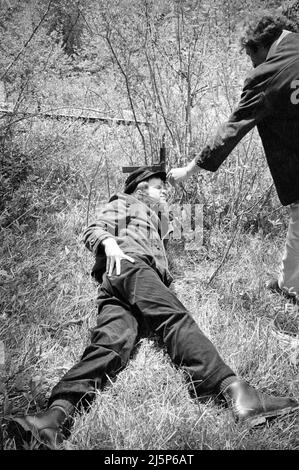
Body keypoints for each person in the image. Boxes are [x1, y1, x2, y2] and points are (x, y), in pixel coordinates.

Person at [11, 167, 298, 449]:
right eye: (159, 185)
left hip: (121, 282)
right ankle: (235, 391)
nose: (165, 190)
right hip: (130, 265)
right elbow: (94, 229)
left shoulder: (158, 218)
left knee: (110, 343)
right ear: (140, 187)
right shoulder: (124, 202)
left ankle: (53, 416)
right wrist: (109, 243)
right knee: (174, 319)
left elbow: (188, 232)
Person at [167, 14, 299, 301]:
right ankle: (288, 282)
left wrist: (189, 170)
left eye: (253, 58)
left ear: (259, 48)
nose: (254, 65)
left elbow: (232, 128)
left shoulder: (267, 74)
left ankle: (290, 288)